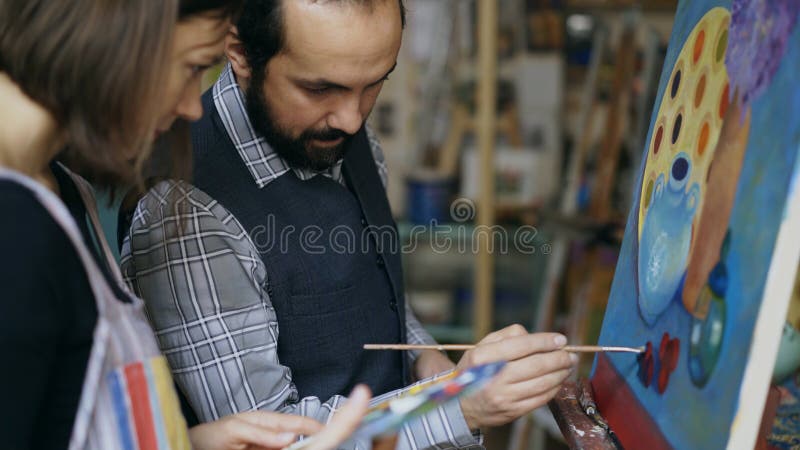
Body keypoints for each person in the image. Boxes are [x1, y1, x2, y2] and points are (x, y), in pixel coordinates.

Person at [121, 0, 577, 448]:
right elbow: (277, 437)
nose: (352, 117)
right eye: (320, 89)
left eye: (374, 83)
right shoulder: (184, 212)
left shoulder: (342, 135)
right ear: (239, 53)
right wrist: (459, 408)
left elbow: (378, 296)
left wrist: (427, 359)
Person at [0, 1, 369, 449]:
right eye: (192, 66)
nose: (192, 108)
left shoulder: (63, 189)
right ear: (113, 37)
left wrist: (191, 444)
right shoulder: (15, 225)